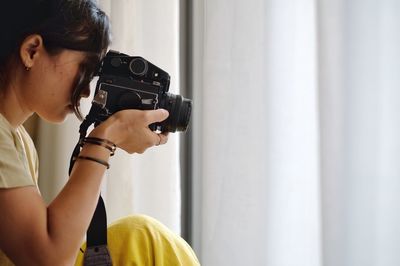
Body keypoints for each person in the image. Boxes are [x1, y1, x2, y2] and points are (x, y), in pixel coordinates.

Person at [0, 0, 199, 265]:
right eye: (84, 69)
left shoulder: (20, 142)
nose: (85, 92)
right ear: (32, 51)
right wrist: (104, 140)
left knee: (144, 237)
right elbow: (49, 258)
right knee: (146, 239)